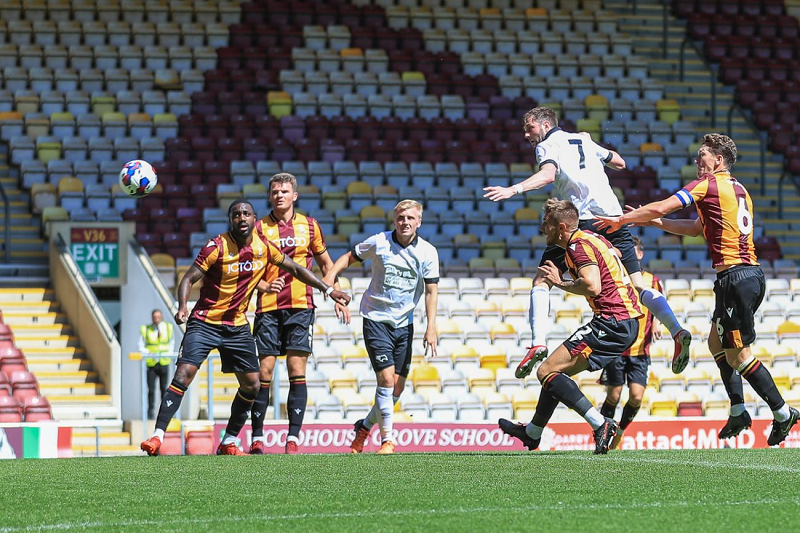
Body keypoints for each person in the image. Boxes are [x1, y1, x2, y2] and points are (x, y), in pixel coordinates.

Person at [595, 132, 799, 446]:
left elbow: (665, 206)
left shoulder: (709, 185)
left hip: (737, 278)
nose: (696, 161)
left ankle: (783, 412)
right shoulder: (739, 190)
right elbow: (694, 229)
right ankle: (738, 409)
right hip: (743, 277)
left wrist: (624, 219)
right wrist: (650, 222)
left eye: (702, 155)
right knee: (717, 342)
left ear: (718, 160)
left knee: (738, 355)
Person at [483, 106, 690, 375]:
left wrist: (513, 189)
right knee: (638, 284)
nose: (526, 134)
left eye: (530, 128)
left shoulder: (546, 145)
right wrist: (599, 158)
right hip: (614, 217)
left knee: (543, 279)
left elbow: (547, 175)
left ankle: (537, 343)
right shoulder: (583, 138)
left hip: (582, 221)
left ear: (546, 125)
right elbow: (620, 162)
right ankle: (677, 329)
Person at [140, 199, 350, 456]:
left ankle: (228, 440)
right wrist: (183, 305)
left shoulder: (264, 248)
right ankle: (157, 436)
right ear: (231, 220)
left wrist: (328, 289)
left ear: (254, 219)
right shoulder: (215, 246)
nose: (241, 218)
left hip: (237, 326)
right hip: (205, 322)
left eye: (246, 214)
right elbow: (189, 278)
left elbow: (295, 268)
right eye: (236, 214)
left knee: (252, 384)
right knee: (184, 373)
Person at [499, 198, 643, 454]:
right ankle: (533, 433)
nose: (543, 229)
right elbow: (615, 256)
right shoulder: (590, 238)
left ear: (562, 227)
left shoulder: (577, 246)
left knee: (545, 371)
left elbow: (592, 285)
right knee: (555, 374)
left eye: (547, 224)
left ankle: (600, 424)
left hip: (612, 320)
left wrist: (559, 282)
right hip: (625, 322)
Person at [322, 199, 439, 455]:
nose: (405, 222)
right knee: (386, 380)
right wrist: (331, 275)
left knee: (396, 389)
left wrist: (431, 327)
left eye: (410, 218)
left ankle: (363, 428)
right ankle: (388, 440)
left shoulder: (428, 252)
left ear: (419, 221)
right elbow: (349, 257)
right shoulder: (380, 241)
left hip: (404, 324)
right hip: (375, 319)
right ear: (394, 220)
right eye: (400, 218)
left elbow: (431, 291)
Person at [248, 173, 351, 455]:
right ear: (269, 196)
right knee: (264, 372)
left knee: (296, 370)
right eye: (274, 191)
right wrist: (265, 285)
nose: (279, 195)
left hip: (301, 307)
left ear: (295, 196)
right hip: (268, 308)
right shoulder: (257, 228)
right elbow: (247, 271)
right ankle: (257, 438)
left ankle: (292, 439)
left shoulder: (310, 226)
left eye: (284, 191)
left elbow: (327, 264)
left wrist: (337, 296)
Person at [598, 237, 662, 449]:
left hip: (640, 350)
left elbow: (658, 305)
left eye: (632, 254)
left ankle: (620, 431)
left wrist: (657, 323)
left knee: (636, 395)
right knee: (614, 395)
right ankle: (603, 434)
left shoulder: (652, 281)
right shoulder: (616, 279)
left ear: (640, 255)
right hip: (616, 349)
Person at [139, 309, 175, 419]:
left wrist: (168, 354)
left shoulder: (168, 328)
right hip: (152, 363)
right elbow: (140, 345)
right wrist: (148, 352)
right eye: (155, 317)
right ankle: (150, 413)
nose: (156, 319)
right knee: (151, 390)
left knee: (164, 389)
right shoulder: (146, 329)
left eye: (158, 317)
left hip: (164, 361)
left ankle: (164, 413)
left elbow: (171, 343)